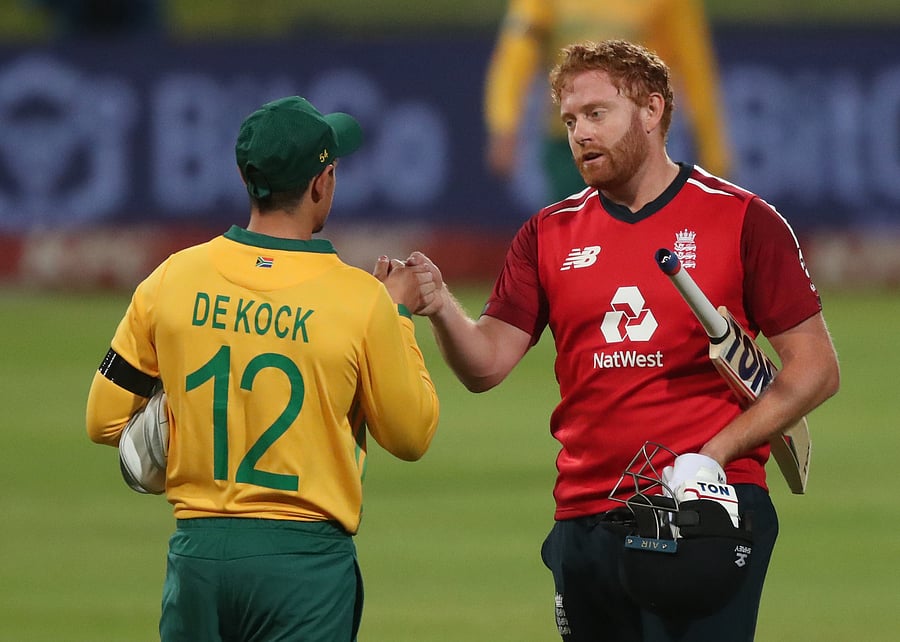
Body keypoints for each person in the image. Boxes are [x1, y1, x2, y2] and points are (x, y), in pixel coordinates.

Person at [406, 40, 839, 641]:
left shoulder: (742, 220)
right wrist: (440, 307)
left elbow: (816, 368)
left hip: (703, 510)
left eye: (597, 113)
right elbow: (487, 364)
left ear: (652, 109)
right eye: (569, 120)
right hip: (584, 514)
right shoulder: (547, 233)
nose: (579, 133)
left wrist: (713, 455)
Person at [85, 96, 440, 641]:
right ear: (321, 184)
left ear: (246, 178)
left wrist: (184, 413)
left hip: (198, 558)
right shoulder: (361, 300)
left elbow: (104, 420)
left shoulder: (172, 279)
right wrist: (399, 316)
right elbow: (411, 435)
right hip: (305, 567)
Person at [484, 0, 731, 203]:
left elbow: (695, 67)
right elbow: (516, 54)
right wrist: (504, 122)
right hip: (571, 146)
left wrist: (713, 150)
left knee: (640, 243)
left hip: (640, 145)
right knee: (573, 247)